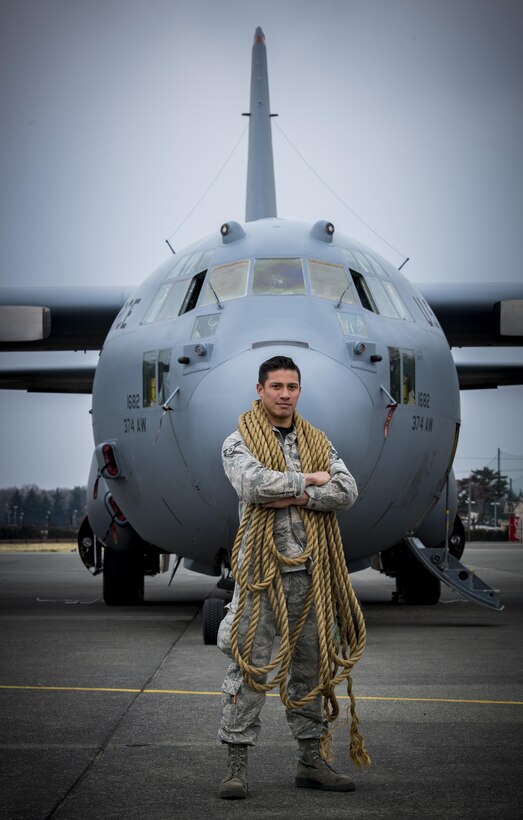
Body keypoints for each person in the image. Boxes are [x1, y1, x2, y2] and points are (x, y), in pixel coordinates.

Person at [217, 355, 361, 799]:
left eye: (292, 386)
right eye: (276, 386)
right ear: (260, 390)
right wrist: (311, 481)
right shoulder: (238, 441)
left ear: (299, 390)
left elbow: (347, 490)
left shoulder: (318, 440)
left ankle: (310, 761)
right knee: (249, 669)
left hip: (310, 575)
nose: (284, 394)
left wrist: (295, 493)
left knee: (312, 671)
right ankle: (236, 767)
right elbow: (253, 485)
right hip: (260, 575)